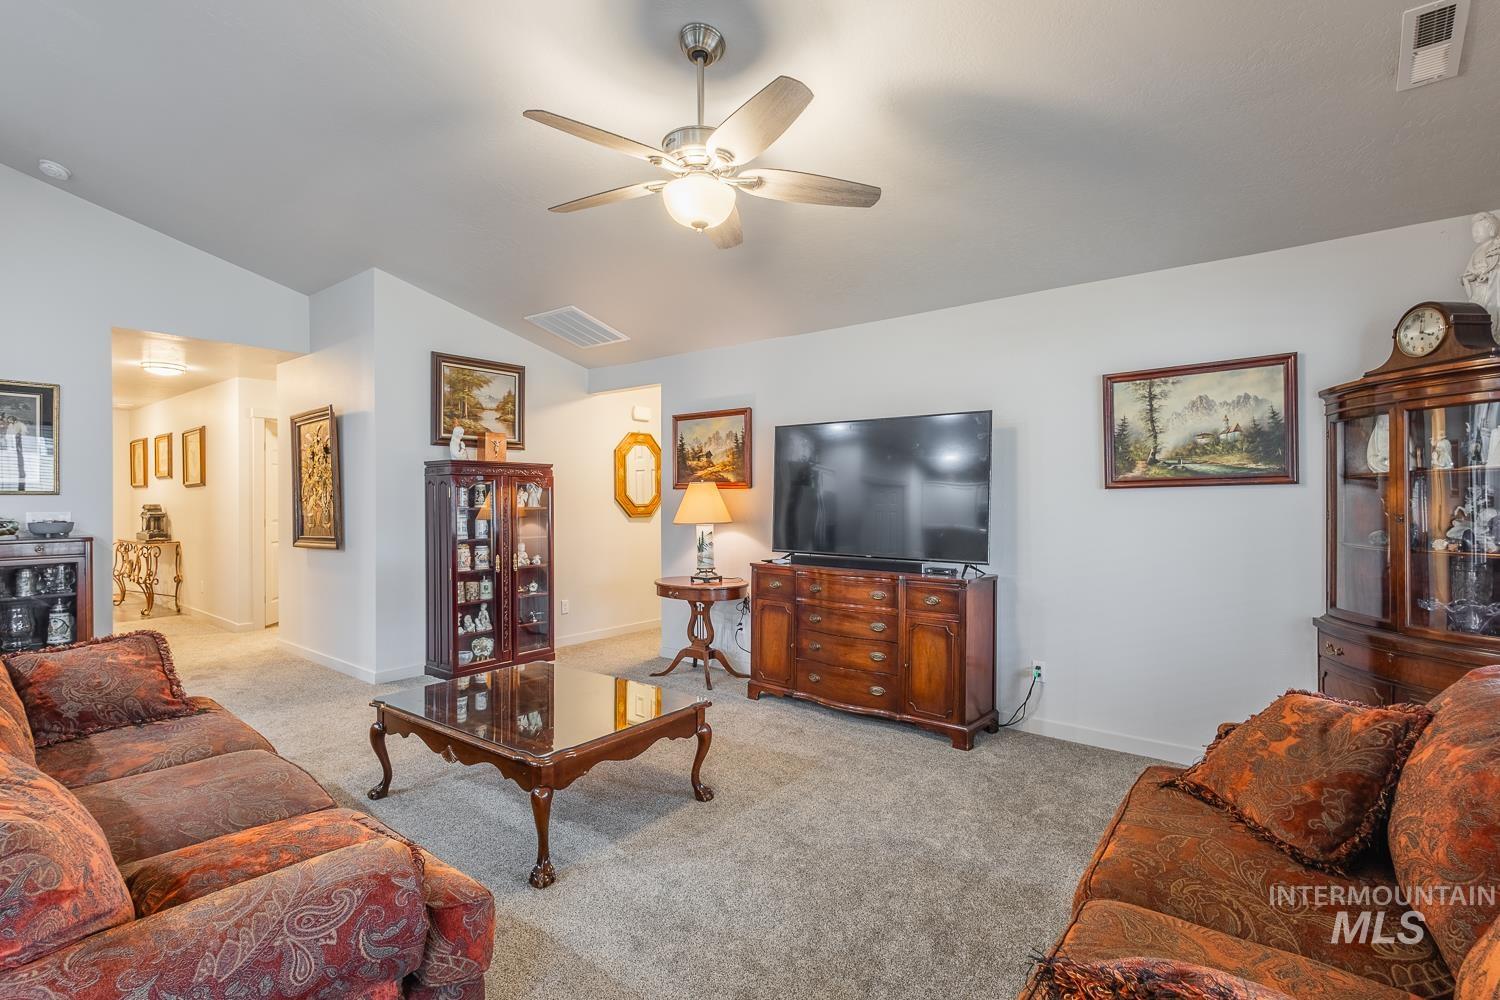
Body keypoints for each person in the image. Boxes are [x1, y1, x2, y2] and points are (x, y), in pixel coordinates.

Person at [1462, 211, 1500, 329]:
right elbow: (1470, 271)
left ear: (1490, 229)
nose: (1475, 234)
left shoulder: (1496, 247)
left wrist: (1490, 275)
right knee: (1478, 313)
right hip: (1479, 291)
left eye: (1478, 231)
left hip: (1492, 289)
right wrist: (1467, 278)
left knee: (1493, 314)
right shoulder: (1476, 252)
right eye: (1473, 232)